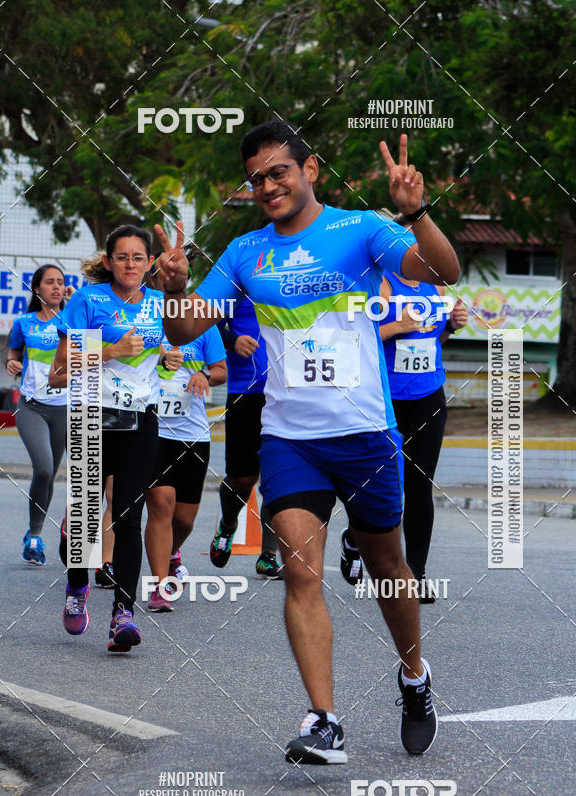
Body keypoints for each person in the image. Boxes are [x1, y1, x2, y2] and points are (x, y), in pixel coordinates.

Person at [156, 123, 460, 763]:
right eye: (257, 177)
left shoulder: (361, 230)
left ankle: (415, 677)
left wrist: (417, 212)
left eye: (278, 172)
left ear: (310, 169)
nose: (267, 185)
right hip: (290, 440)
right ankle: (325, 720)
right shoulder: (244, 254)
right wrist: (177, 288)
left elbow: (442, 270)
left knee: (388, 569)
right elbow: (185, 331)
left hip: (366, 438)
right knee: (300, 571)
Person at [50, 224, 164, 652]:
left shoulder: (161, 305)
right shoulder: (87, 301)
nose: (130, 264)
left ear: (150, 263)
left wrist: (172, 359)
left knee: (129, 518)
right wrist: (111, 351)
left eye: (138, 257)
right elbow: (59, 373)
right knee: (81, 522)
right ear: (107, 262)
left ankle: (123, 615)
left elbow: (178, 350)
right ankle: (77, 585)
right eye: (122, 257)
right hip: (89, 417)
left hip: (139, 420)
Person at [340, 273, 469, 601]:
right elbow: (355, 338)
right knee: (376, 483)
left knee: (419, 483)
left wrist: (451, 326)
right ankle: (354, 540)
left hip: (428, 395)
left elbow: (432, 341)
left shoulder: (435, 286)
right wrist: (397, 326)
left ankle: (416, 574)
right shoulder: (378, 283)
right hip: (383, 397)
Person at [145, 331, 227, 611]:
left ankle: (170, 553)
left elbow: (221, 371)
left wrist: (205, 374)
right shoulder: (148, 321)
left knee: (184, 520)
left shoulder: (202, 327)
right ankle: (160, 586)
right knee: (160, 502)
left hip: (193, 435)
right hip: (152, 433)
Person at [212, 299, 283, 579]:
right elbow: (207, 324)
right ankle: (228, 525)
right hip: (246, 392)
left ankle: (268, 555)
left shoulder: (295, 275)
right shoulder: (239, 277)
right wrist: (232, 340)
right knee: (242, 477)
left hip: (288, 392)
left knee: (279, 478)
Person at [6, 265, 70, 565]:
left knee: (50, 474)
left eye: (60, 282)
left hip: (65, 409)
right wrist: (12, 363)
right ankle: (34, 534)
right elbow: (13, 352)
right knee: (43, 468)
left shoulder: (72, 320)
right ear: (37, 289)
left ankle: (37, 534)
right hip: (32, 407)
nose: (56, 287)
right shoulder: (24, 322)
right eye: (49, 282)